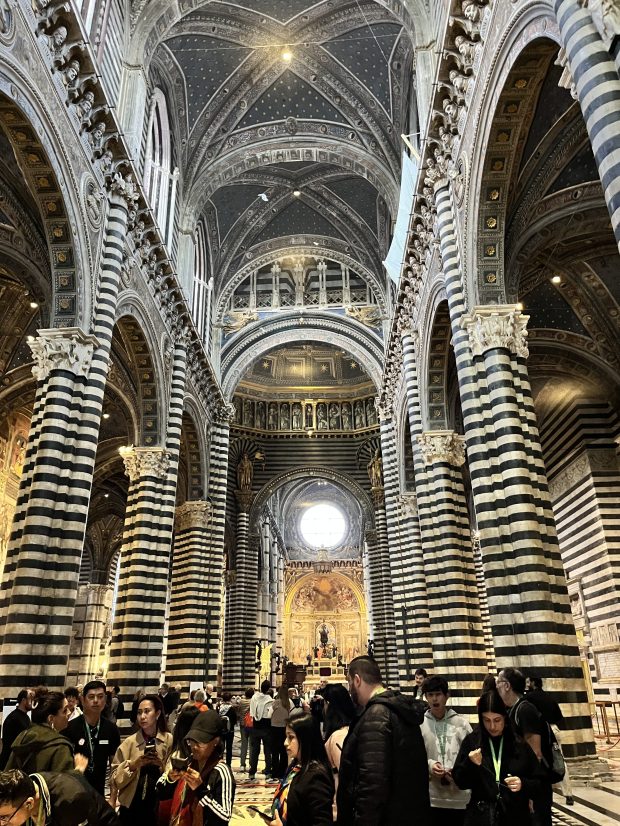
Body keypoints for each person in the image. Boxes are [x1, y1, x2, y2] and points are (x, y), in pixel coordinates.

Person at [337, 655, 430, 826]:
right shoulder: (397, 708)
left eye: (349, 682)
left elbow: (372, 785)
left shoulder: (377, 715)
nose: (350, 688)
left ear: (357, 680)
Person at [452, 690, 544, 826]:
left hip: (515, 816)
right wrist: (470, 763)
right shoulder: (473, 742)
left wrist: (523, 784)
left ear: (504, 717)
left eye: (497, 720)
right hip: (482, 815)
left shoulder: (517, 744)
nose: (492, 726)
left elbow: (540, 782)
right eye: (486, 720)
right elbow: (460, 782)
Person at [157, 709, 235, 826]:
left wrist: (200, 790)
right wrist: (171, 780)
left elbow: (224, 817)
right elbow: (160, 794)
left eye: (200, 742)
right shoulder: (188, 763)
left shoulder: (222, 772)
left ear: (216, 741)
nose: (194, 747)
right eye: (191, 741)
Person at [496, 667, 552, 826]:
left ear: (507, 686)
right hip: (521, 785)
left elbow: (536, 753)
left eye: (498, 682)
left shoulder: (525, 710)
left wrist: (530, 793)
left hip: (533, 787)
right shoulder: (512, 709)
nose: (497, 686)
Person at [111, 693, 172, 826]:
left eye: (147, 711)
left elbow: (175, 775)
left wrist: (161, 766)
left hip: (158, 805)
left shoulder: (168, 740)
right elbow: (115, 779)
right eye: (139, 713)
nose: (142, 717)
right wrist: (134, 765)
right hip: (132, 806)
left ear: (157, 714)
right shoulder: (129, 743)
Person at [420, 676, 472, 826]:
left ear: (447, 695)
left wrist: (457, 771)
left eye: (438, 694)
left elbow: (472, 758)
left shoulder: (462, 724)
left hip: (459, 797)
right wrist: (430, 766)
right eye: (430, 695)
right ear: (425, 697)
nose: (434, 699)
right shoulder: (420, 725)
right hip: (432, 797)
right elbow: (413, 758)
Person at [269, 713, 333, 826]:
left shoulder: (316, 776)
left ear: (305, 738)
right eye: (286, 736)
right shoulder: (296, 766)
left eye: (291, 737)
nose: (285, 743)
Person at [0, 768, 122, 826]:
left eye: (4, 817)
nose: (1, 823)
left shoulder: (71, 800)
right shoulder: (28, 788)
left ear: (29, 804)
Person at [64, 680, 121, 796]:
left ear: (105, 700)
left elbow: (114, 766)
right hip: (73, 791)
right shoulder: (70, 728)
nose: (96, 701)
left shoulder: (111, 729)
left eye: (100, 697)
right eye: (91, 697)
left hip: (98, 792)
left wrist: (113, 797)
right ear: (83, 700)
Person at [526, 675, 574, 806]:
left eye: (529, 681)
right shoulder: (549, 697)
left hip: (540, 731)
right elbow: (559, 716)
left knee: (540, 760)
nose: (527, 684)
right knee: (559, 760)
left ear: (533, 683)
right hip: (554, 728)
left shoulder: (529, 698)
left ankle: (544, 794)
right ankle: (568, 793)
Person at [7, 692, 75, 774]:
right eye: (64, 710)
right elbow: (64, 783)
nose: (69, 713)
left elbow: (8, 774)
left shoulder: (23, 736)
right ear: (51, 719)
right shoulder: (60, 747)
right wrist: (78, 770)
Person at [322, 684, 356, 821]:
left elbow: (345, 773)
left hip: (340, 806)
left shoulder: (339, 736)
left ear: (329, 704)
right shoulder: (346, 730)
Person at [248, 680, 274, 781]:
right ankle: (268, 772)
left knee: (255, 751)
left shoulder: (254, 697)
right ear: (268, 689)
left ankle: (252, 772)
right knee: (267, 751)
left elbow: (252, 712)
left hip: (255, 726)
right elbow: (270, 715)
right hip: (266, 727)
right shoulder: (270, 700)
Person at [0, 690, 32, 770]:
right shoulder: (13, 718)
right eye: (31, 699)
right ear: (24, 700)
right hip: (10, 764)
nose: (33, 702)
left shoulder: (25, 717)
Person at [270, 685, 291, 781]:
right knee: (284, 751)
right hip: (284, 728)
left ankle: (275, 772)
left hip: (274, 728)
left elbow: (269, 714)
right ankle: (283, 772)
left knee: (274, 751)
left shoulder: (275, 702)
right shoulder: (289, 702)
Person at [217, 692, 237, 768]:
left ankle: (220, 763)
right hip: (230, 731)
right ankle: (228, 764)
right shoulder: (231, 708)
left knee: (221, 748)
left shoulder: (219, 707)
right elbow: (234, 720)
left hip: (221, 731)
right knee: (229, 748)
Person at [238, 688, 254, 773]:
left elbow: (238, 711)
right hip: (251, 725)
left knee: (244, 745)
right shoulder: (254, 701)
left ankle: (242, 764)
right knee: (251, 745)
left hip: (243, 724)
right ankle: (251, 764)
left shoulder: (241, 701)